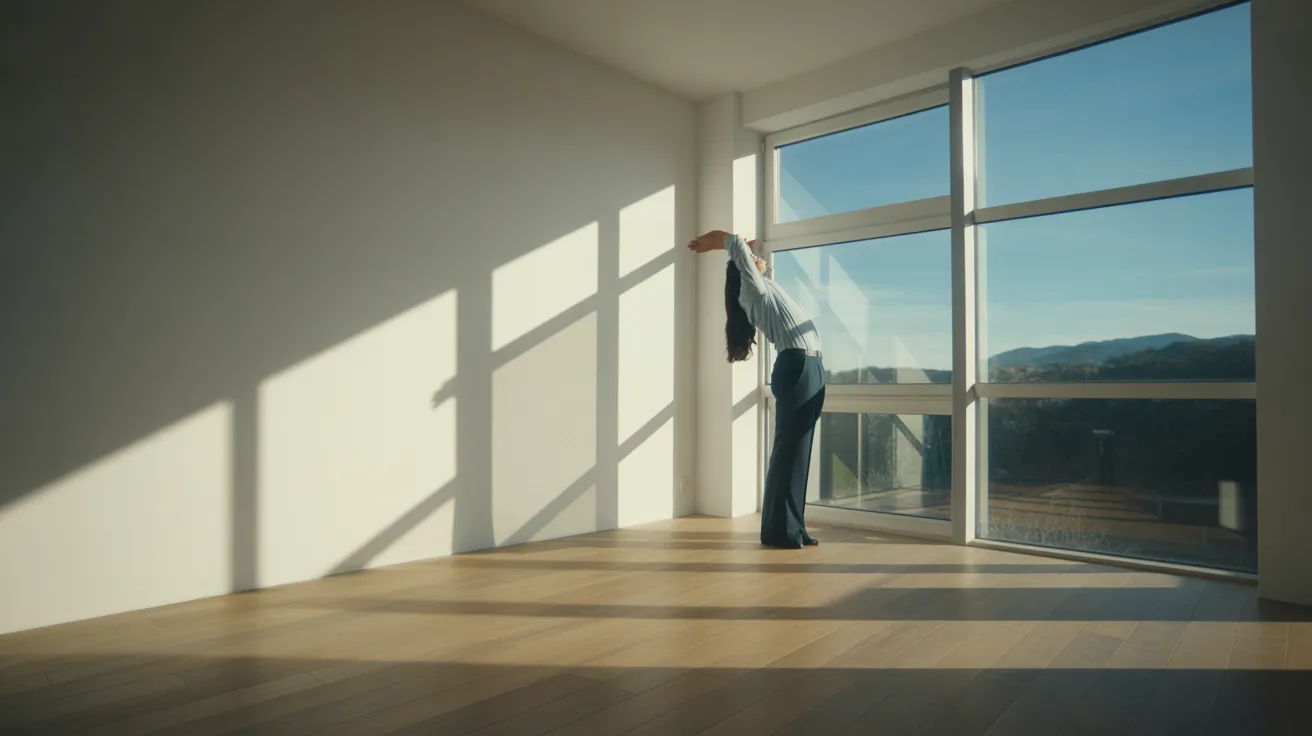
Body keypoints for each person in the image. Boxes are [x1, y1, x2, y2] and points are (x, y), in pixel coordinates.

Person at [687, 230, 825, 549]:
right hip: (797, 367)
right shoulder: (751, 290)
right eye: (753, 261)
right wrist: (713, 243)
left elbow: (745, 250)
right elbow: (735, 243)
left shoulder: (763, 287)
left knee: (798, 455)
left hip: (809, 367)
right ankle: (780, 531)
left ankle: (794, 527)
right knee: (788, 454)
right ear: (744, 270)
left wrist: (748, 251)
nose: (760, 261)